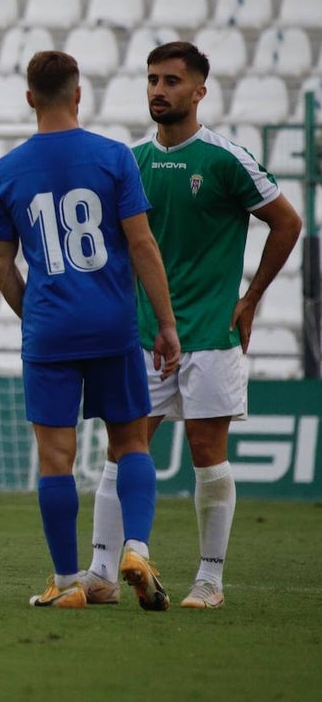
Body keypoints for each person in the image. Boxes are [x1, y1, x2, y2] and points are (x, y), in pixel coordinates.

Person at [83, 42, 303, 609]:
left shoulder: (226, 159)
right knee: (124, 447)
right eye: (153, 79)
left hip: (210, 333)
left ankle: (209, 580)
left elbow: (287, 223)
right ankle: (102, 572)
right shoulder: (131, 161)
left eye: (172, 81)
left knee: (208, 451)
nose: (159, 90)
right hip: (143, 336)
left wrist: (249, 299)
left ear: (199, 90)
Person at [0, 51, 182, 609]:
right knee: (130, 440)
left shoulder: (8, 169)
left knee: (56, 456)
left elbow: (1, 265)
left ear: (30, 99)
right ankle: (137, 548)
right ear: (78, 95)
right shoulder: (115, 157)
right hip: (112, 325)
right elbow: (142, 244)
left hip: (50, 326)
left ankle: (69, 580)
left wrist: (38, 317)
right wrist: (165, 324)